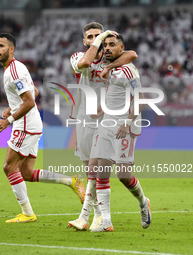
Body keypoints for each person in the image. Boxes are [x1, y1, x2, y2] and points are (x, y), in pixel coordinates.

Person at [0, 33, 85, 223]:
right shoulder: (16, 68)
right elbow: (33, 92)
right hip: (31, 123)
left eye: (1, 46)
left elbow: (28, 101)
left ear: (11, 49)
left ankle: (27, 213)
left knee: (9, 168)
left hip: (25, 124)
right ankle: (71, 181)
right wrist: (12, 106)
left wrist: (8, 119)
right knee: (25, 172)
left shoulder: (13, 71)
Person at [68, 22, 138, 231]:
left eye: (97, 36)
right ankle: (97, 216)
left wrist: (108, 65)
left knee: (97, 172)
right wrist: (99, 41)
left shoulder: (109, 58)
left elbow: (132, 54)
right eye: (90, 37)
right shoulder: (77, 57)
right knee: (90, 170)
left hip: (105, 119)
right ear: (84, 40)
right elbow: (85, 63)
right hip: (84, 119)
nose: (94, 40)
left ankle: (91, 217)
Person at [89, 34, 151, 232]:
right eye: (105, 45)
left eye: (112, 45)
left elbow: (140, 99)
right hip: (106, 124)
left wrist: (126, 123)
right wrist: (102, 109)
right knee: (102, 171)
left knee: (123, 175)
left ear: (121, 47)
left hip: (124, 126)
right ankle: (106, 221)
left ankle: (143, 202)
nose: (107, 48)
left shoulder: (128, 70)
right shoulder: (107, 68)